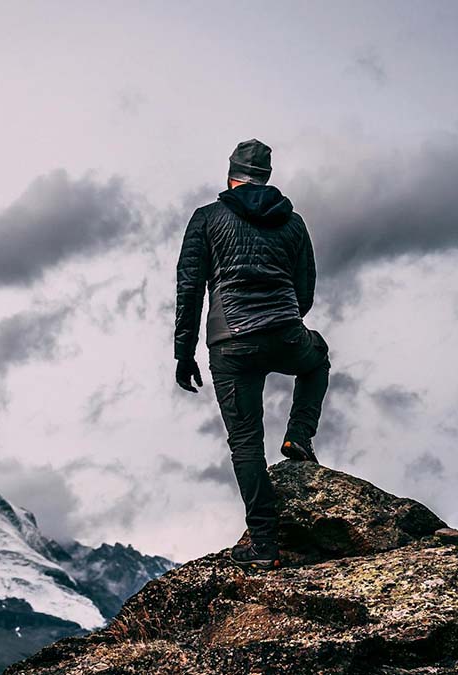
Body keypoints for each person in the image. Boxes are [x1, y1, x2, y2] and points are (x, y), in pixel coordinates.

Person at [173, 138, 331, 569]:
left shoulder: (207, 219)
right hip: (283, 331)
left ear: (230, 175)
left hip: (230, 343)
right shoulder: (293, 223)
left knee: (245, 443)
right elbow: (305, 290)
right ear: (266, 177)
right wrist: (282, 320)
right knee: (317, 360)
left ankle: (264, 545)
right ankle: (299, 434)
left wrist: (182, 353)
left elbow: (190, 289)